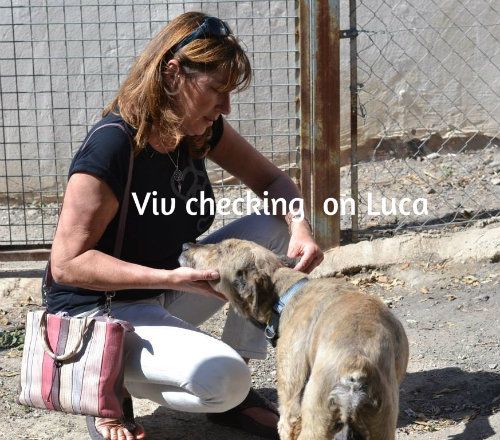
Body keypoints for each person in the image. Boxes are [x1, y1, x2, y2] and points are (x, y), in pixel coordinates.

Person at [46, 11, 323, 440]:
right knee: (224, 380)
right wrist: (171, 278)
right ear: (173, 74)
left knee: (278, 225)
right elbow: (67, 264)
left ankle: (236, 394)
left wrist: (300, 227)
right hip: (100, 310)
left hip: (164, 288)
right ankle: (105, 383)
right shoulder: (112, 145)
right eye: (216, 90)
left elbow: (272, 182)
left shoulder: (199, 130)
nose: (225, 107)